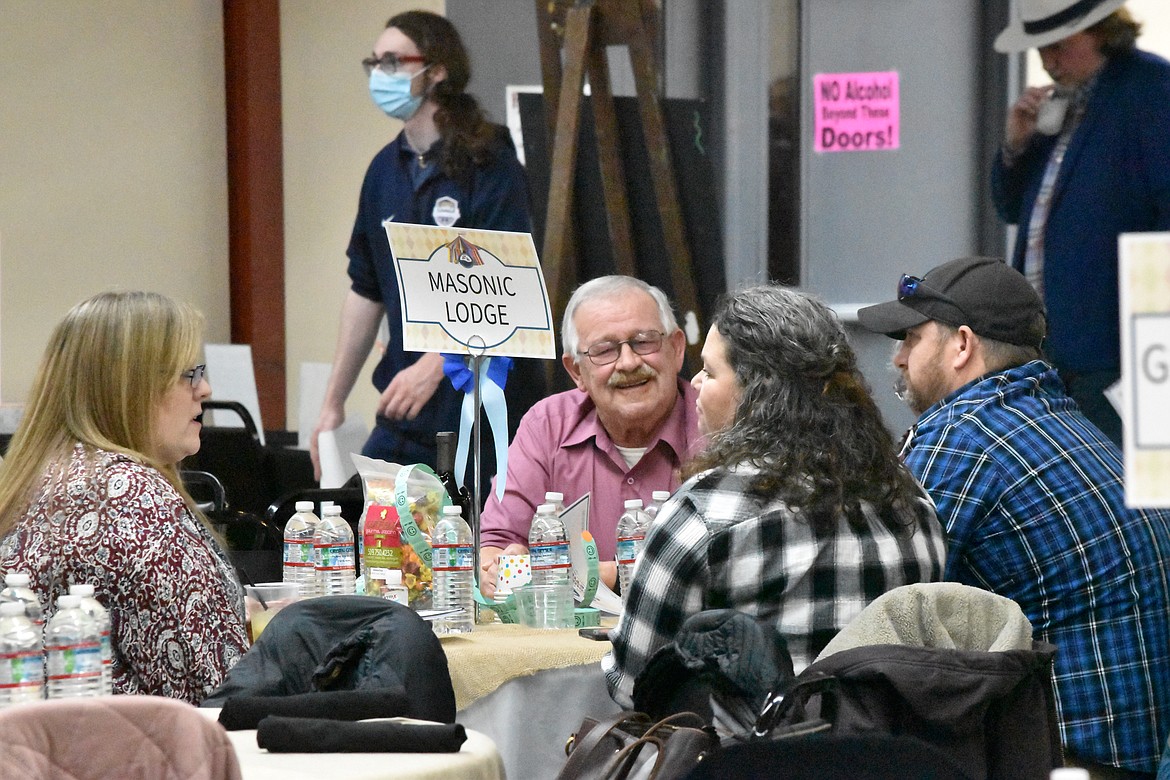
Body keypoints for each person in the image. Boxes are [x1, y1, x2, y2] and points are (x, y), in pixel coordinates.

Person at [859, 256, 1170, 777]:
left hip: (1072, 760)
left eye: (911, 339)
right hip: (1143, 749)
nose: (897, 359)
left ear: (961, 345)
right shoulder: (1069, 422)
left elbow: (877, 603)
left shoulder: (960, 438)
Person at [603, 285, 946, 707]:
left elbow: (632, 685)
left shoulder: (705, 511)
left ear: (757, 392)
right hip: (895, 761)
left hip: (749, 762)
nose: (694, 384)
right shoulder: (914, 503)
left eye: (709, 372)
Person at [311, 10, 540, 478]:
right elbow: (365, 289)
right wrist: (330, 406)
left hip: (478, 404)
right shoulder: (383, 170)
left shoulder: (490, 164)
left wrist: (435, 366)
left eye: (393, 61)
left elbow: (506, 291)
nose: (380, 73)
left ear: (436, 71)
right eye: (374, 62)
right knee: (371, 526)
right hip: (406, 404)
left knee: (466, 538)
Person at [0, 291, 248, 704]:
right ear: (130, 386)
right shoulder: (131, 496)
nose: (204, 388)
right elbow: (218, 688)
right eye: (188, 373)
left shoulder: (39, 474)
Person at [990, 0, 1170, 445]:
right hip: (1051, 342)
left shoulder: (1151, 89)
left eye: (1059, 47)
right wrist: (1016, 146)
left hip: (1120, 343)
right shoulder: (1062, 102)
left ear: (1102, 32)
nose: (1049, 62)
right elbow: (1012, 210)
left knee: (1132, 485)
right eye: (1041, 50)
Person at [478, 276, 702, 597]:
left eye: (643, 341)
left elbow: (723, 563)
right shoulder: (547, 425)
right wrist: (497, 567)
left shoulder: (717, 423)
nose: (628, 362)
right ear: (576, 372)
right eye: (604, 350)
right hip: (561, 642)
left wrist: (596, 573)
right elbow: (496, 543)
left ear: (676, 349)